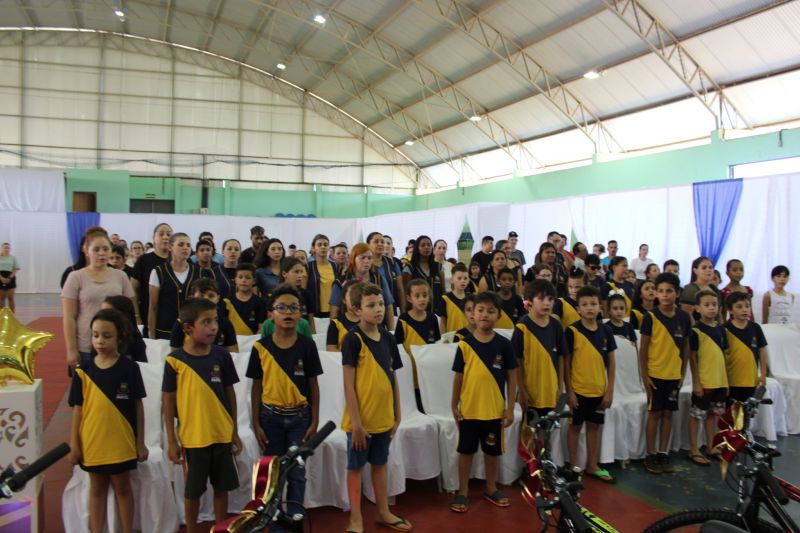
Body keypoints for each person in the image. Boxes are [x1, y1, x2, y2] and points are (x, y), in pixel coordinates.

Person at [163, 298, 241, 533]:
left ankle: (221, 528)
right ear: (188, 328)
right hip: (193, 439)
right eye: (206, 322)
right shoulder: (175, 361)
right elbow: (168, 402)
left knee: (222, 487)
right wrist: (171, 439)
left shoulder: (222, 356)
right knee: (193, 492)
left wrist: (234, 431)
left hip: (221, 435)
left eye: (215, 321)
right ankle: (191, 528)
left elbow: (230, 394)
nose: (214, 327)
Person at [247, 284, 322, 523]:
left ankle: (295, 520)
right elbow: (256, 388)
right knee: (273, 472)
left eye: (293, 307)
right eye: (281, 307)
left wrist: (314, 420)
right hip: (270, 419)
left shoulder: (307, 345)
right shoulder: (261, 347)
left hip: (300, 418)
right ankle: (275, 521)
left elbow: (313, 385)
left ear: (300, 314)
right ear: (271, 314)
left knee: (297, 472)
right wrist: (256, 423)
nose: (288, 312)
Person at [68, 308, 147, 533]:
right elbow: (78, 410)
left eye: (107, 336)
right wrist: (75, 444)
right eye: (95, 335)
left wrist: (140, 443)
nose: (100, 341)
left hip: (121, 442)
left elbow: (138, 407)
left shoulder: (130, 368)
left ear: (120, 337)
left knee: (123, 489)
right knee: (97, 490)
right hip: (93, 442)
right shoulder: (83, 371)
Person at [341, 282, 411, 533]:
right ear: (356, 309)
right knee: (356, 468)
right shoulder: (353, 339)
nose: (379, 309)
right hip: (360, 423)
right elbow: (348, 385)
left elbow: (393, 378)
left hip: (384, 418)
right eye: (371, 305)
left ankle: (383, 511)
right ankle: (355, 518)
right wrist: (357, 424)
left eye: (380, 304)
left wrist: (397, 414)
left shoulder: (389, 338)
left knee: (380, 465)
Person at [450, 291, 518, 513]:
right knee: (466, 451)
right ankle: (463, 491)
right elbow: (458, 377)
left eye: (490, 311)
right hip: (469, 411)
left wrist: (510, 408)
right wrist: (453, 405)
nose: (484, 315)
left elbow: (512, 376)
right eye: (480, 310)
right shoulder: (465, 345)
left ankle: (491, 487)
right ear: (472, 313)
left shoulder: (504, 345)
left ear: (499, 315)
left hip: (494, 411)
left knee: (492, 452)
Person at [640, 272, 691, 475]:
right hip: (655, 374)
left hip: (673, 375)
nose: (664, 294)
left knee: (668, 414)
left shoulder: (684, 317)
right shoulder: (650, 317)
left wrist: (682, 373)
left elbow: (686, 348)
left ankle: (663, 452)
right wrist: (645, 376)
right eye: (660, 291)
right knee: (655, 414)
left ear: (677, 293)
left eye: (669, 291)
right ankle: (650, 454)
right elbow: (643, 349)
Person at [62, 227, 135, 369]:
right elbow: (69, 317)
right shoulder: (75, 277)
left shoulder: (121, 276)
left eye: (105, 249)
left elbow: (129, 312)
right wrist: (71, 349)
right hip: (85, 346)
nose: (101, 253)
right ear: (86, 250)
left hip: (116, 345)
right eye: (96, 249)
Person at [565, 286, 616, 482]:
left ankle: (592, 465)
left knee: (594, 427)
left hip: (599, 391)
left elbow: (611, 363)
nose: (589, 308)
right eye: (585, 304)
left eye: (593, 304)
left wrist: (609, 391)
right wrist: (569, 392)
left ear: (600, 307)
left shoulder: (607, 331)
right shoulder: (572, 331)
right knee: (575, 427)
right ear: (578, 309)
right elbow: (566, 364)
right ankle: (573, 466)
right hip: (578, 391)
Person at [513, 280, 566, 425]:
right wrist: (521, 390)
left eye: (550, 299)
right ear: (530, 300)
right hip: (531, 393)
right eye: (541, 299)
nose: (546, 303)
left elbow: (561, 357)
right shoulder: (522, 327)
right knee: (530, 433)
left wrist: (560, 388)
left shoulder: (556, 326)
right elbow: (517, 362)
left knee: (548, 431)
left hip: (551, 392)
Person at [687, 290, 728, 466]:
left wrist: (726, 381)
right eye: (707, 305)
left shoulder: (721, 329)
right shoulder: (695, 331)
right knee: (697, 415)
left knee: (713, 414)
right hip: (704, 381)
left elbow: (724, 355)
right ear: (697, 308)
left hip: (719, 380)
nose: (711, 308)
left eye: (714, 304)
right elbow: (692, 358)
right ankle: (694, 449)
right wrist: (696, 382)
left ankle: (711, 446)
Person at [148, 233, 201, 340]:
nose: (185, 248)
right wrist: (152, 335)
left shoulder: (198, 272)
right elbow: (153, 307)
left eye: (188, 245)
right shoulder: (158, 272)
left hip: (191, 332)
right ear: (170, 247)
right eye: (181, 244)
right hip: (165, 332)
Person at [331, 243, 395, 328]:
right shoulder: (341, 282)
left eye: (369, 258)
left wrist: (391, 330)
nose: (366, 261)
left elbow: (388, 306)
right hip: (348, 328)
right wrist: (335, 330)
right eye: (362, 258)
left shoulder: (379, 279)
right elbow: (334, 310)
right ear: (353, 259)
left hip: (376, 328)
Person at [169, 278, 238, 353]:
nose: (206, 299)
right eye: (201, 296)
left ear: (218, 298)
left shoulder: (226, 324)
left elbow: (233, 354)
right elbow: (174, 356)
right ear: (192, 297)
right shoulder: (180, 324)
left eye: (211, 296)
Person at [725, 292, 769, 405]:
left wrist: (763, 374)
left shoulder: (755, 327)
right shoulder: (725, 329)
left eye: (747, 306)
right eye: (739, 307)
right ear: (730, 310)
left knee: (749, 412)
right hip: (732, 381)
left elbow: (762, 350)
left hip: (751, 381)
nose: (744, 310)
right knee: (732, 412)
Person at [131, 222, 172, 336]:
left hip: (171, 318)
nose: (165, 237)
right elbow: (133, 289)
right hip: (147, 315)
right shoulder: (144, 260)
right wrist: (136, 315)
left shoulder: (176, 261)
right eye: (161, 234)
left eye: (169, 234)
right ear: (154, 238)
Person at [261, 259, 315, 337]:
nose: (300, 275)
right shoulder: (274, 295)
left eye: (301, 272)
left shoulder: (307, 294)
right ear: (284, 273)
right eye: (296, 272)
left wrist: (313, 334)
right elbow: (270, 319)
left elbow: (311, 320)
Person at [402, 235, 444, 313]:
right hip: (416, 312)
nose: (426, 247)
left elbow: (443, 290)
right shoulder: (410, 268)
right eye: (423, 245)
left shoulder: (438, 267)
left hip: (436, 311)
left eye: (429, 245)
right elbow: (405, 292)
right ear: (417, 248)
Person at [100, 295, 148, 362]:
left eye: (108, 313)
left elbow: (142, 366)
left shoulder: (136, 342)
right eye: (101, 312)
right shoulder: (99, 339)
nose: (102, 317)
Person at [224, 263, 266, 335]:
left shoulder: (260, 302)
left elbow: (261, 327)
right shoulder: (227, 301)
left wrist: (253, 340)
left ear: (254, 281)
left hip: (252, 339)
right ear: (235, 280)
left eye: (248, 278)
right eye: (240, 277)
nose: (244, 280)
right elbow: (223, 326)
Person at [369, 232, 405, 314]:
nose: (380, 244)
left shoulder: (392, 263)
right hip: (371, 308)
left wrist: (403, 312)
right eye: (376, 241)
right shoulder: (366, 263)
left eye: (382, 242)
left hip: (390, 307)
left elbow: (400, 289)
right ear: (368, 244)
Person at [680, 257, 722, 322]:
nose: (708, 270)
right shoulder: (691, 289)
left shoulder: (714, 288)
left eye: (710, 267)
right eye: (704, 268)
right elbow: (687, 314)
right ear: (695, 270)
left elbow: (718, 314)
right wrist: (696, 328)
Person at [307, 234, 338, 318]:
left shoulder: (335, 266)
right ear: (313, 248)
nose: (323, 247)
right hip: (315, 311)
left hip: (334, 310)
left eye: (325, 244)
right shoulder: (309, 267)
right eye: (319, 245)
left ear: (329, 247)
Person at [326, 282, 360, 351]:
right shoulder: (335, 323)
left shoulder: (368, 321)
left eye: (359, 295)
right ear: (344, 300)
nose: (355, 299)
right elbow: (330, 348)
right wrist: (348, 356)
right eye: (352, 295)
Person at [438, 263, 470, 334]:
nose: (462, 281)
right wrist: (444, 337)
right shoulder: (445, 299)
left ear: (468, 280)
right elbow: (442, 322)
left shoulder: (471, 299)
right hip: (452, 337)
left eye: (465, 278)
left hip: (469, 337)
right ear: (452, 280)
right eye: (459, 278)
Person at [0, 242, 20, 312]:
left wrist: (9, 277)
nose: (7, 249)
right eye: (5, 247)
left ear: (10, 249)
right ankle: (1, 315)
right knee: (1, 297)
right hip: (0, 277)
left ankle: (12, 315)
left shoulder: (13, 258)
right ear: (2, 248)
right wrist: (1, 278)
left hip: (10, 277)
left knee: (10, 297)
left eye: (8, 248)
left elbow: (16, 268)